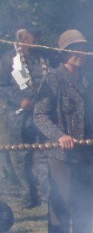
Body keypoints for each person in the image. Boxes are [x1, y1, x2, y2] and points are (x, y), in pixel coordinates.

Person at [33, 29, 93, 233]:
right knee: (60, 204)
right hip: (61, 155)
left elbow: (92, 118)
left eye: (82, 48)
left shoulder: (87, 81)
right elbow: (39, 115)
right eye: (73, 49)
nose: (79, 53)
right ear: (64, 53)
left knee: (85, 203)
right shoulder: (52, 79)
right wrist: (59, 136)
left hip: (86, 154)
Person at [1, 28, 49, 207]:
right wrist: (19, 101)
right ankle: (28, 197)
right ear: (22, 37)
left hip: (41, 112)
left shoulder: (43, 58)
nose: (36, 39)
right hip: (17, 114)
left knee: (43, 154)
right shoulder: (8, 58)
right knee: (22, 156)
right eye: (32, 36)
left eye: (38, 36)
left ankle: (45, 197)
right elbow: (2, 86)